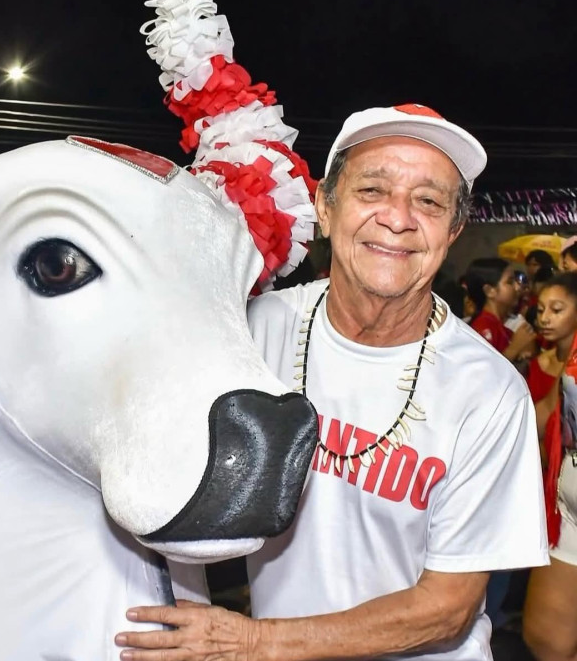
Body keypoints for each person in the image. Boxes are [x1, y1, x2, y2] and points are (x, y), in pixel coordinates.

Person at [117, 104, 548, 661]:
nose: (398, 219)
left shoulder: (488, 393)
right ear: (324, 205)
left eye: (429, 201)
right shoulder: (252, 331)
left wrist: (250, 640)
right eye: (373, 190)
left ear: (453, 230)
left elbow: (449, 607)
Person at [523, 272, 577, 661]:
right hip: (567, 507)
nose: (546, 317)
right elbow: (541, 416)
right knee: (546, 637)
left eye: (558, 309)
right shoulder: (571, 363)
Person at [465, 257, 537, 363]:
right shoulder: (483, 329)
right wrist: (513, 349)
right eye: (510, 282)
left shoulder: (500, 328)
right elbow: (483, 374)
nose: (517, 287)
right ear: (490, 291)